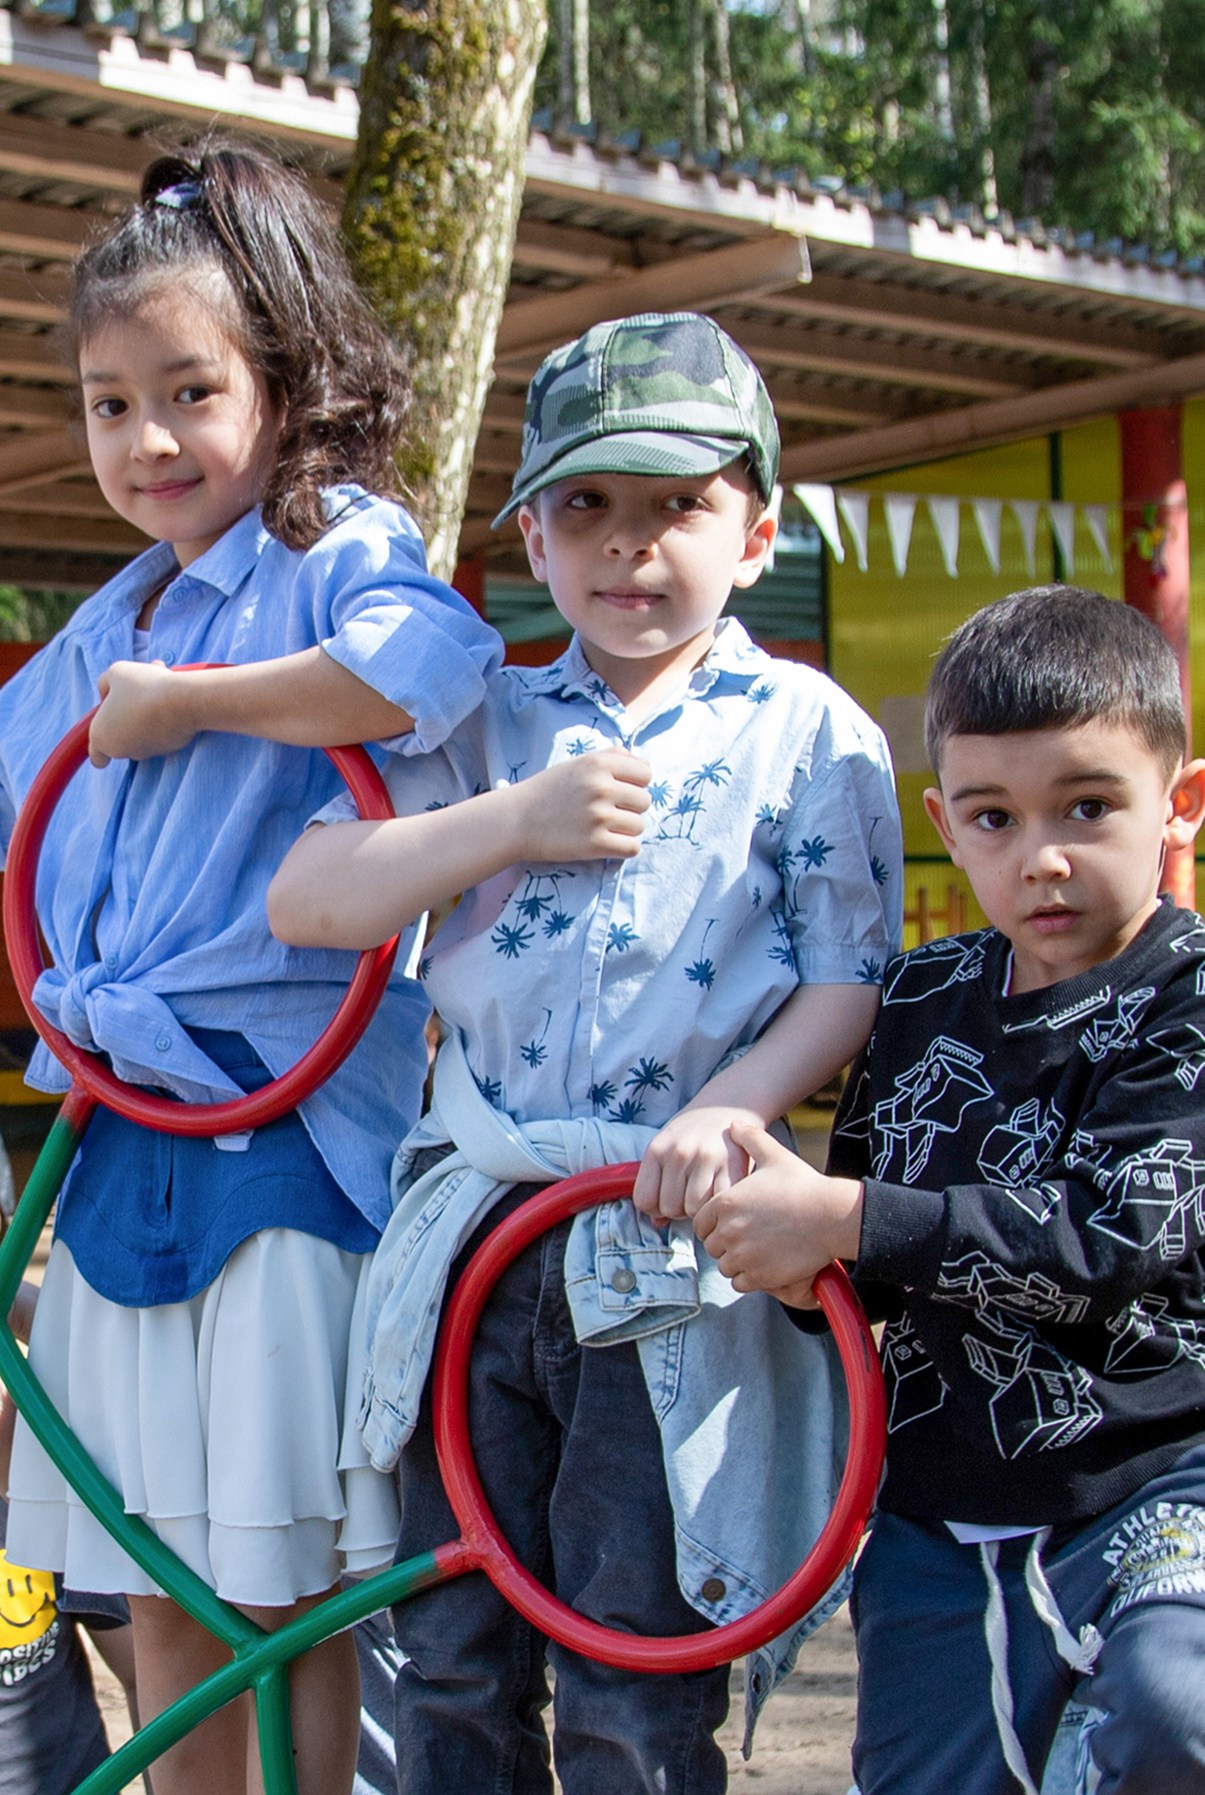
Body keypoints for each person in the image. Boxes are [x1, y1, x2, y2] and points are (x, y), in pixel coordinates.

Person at [269, 309, 903, 1794]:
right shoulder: (478, 714)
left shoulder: (811, 731)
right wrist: (509, 821)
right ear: (535, 542)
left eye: (677, 505)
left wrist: (735, 1109)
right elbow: (312, 894)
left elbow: (846, 976)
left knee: (631, 1651)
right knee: (452, 1649)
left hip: (670, 1236)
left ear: (754, 532)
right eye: (586, 507)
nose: (629, 548)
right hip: (479, 1221)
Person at [0, 138, 501, 1795]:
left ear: (282, 383)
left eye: (189, 391)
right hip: (118, 1149)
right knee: (150, 1575)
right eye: (106, 402)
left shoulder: (334, 548)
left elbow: (419, 671)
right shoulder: (92, 635)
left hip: (282, 1147)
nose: (146, 441)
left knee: (281, 1580)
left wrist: (199, 703)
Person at [691, 584, 1205, 1795]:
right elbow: (861, 1267)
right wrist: (781, 1253)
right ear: (943, 822)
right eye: (993, 817)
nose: (1044, 856)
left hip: (1153, 1483)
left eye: (1087, 804)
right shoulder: (921, 998)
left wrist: (844, 1219)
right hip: (931, 1515)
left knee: (1174, 1717)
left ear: (1176, 804)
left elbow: (1110, 1237)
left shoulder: (1187, 997)